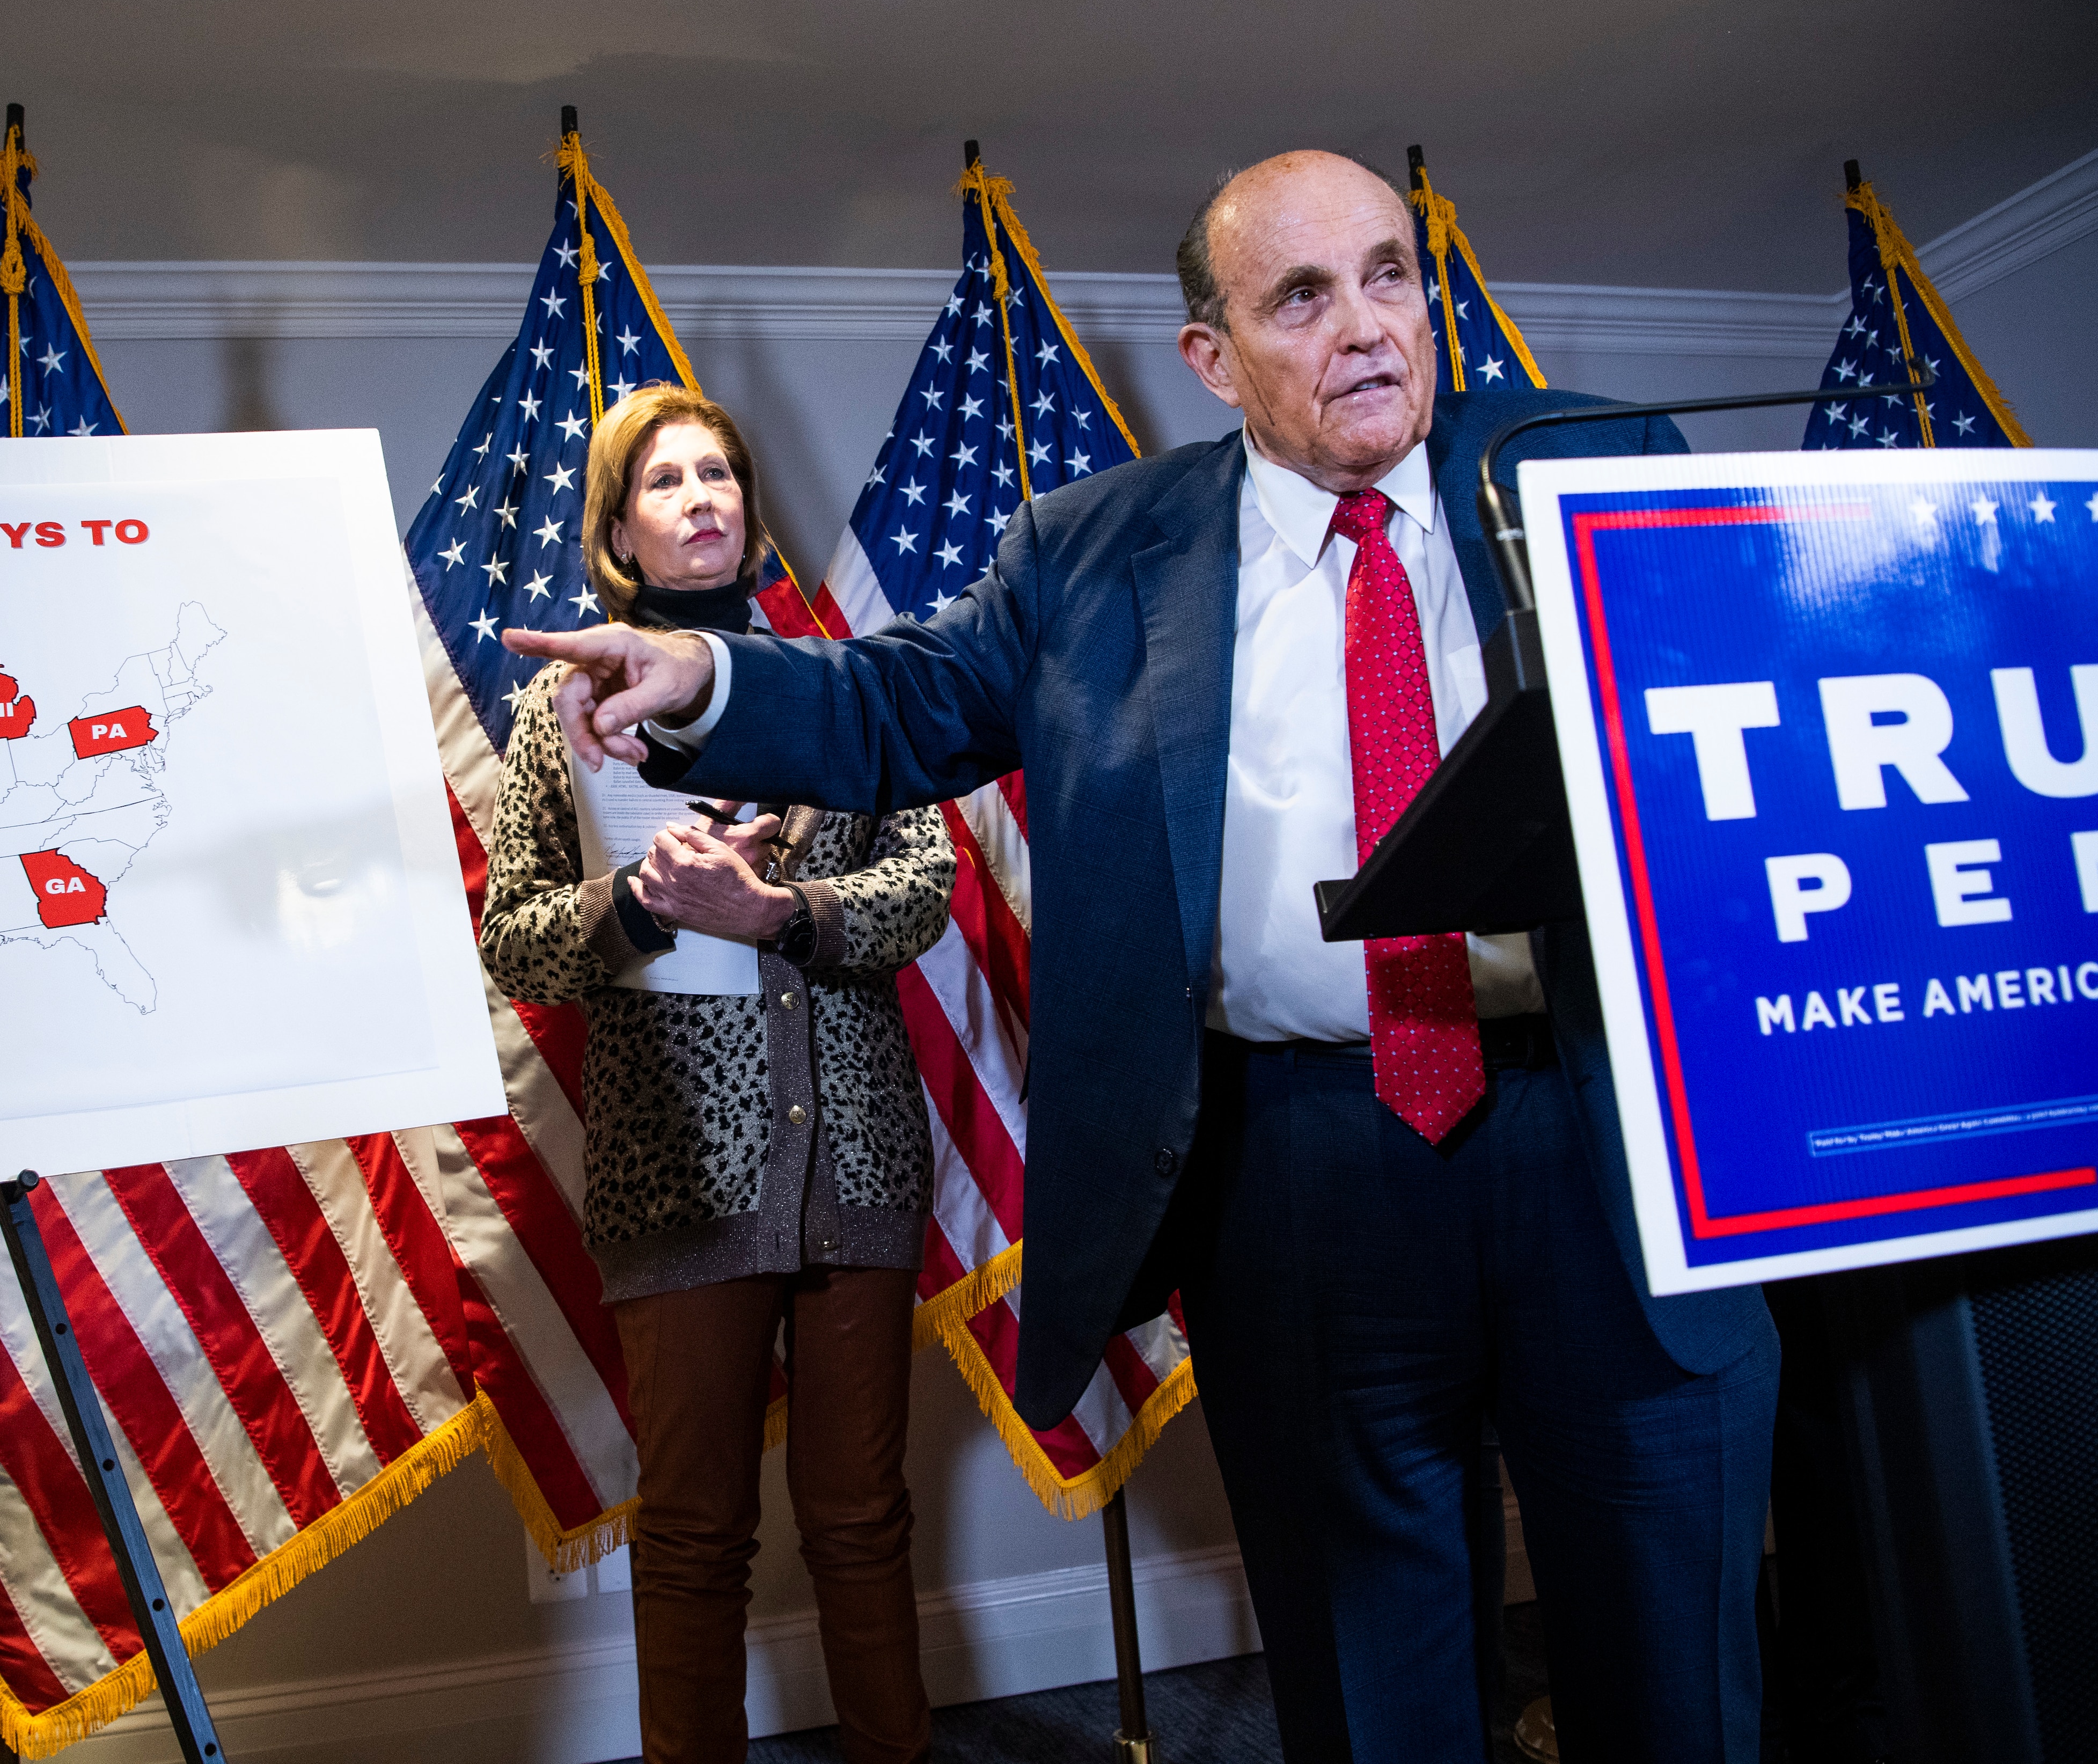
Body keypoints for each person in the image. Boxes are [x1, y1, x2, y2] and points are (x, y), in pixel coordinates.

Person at [508, 153, 1779, 1762]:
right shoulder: (1095, 547)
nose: (1369, 328)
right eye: (1303, 298)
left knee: (1671, 1650)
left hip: (1603, 1134)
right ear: (1213, 354)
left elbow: (1745, 745)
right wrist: (700, 673)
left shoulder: (1583, 464)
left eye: (1392, 275)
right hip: (1308, 1165)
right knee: (1375, 1674)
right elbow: (901, 704)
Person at [477, 384, 955, 1764]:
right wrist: (642, 901)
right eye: (666, 478)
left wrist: (783, 916)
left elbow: (918, 888)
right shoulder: (553, 718)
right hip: (674, 1165)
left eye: (721, 473)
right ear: (620, 528)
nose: (702, 496)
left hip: (857, 1149)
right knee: (692, 1528)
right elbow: (514, 940)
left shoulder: (841, 683)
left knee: (864, 1515)